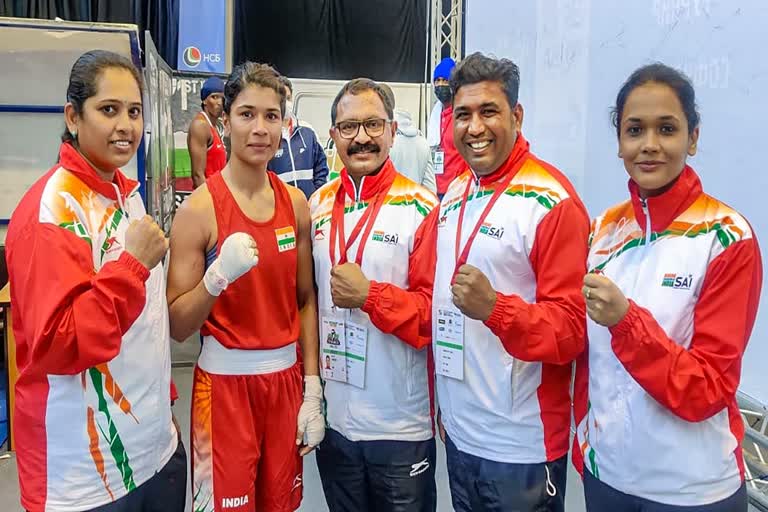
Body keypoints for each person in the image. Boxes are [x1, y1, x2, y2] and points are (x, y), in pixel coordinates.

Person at [573, 63, 762, 512]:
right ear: (619, 141)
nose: (650, 145)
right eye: (635, 129)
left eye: (667, 129)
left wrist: (626, 322)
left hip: (691, 491)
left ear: (692, 139)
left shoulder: (726, 238)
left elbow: (707, 388)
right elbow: (587, 357)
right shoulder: (602, 231)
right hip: (608, 479)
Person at [5, 50, 185, 512]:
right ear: (73, 115)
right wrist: (132, 267)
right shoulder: (51, 211)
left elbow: (146, 320)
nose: (125, 125)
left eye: (134, 111)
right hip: (84, 478)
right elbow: (60, 344)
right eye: (109, 110)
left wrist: (163, 399)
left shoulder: (128, 195)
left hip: (156, 452)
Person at [432, 52, 590, 512]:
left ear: (516, 116)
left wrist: (495, 309)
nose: (475, 128)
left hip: (520, 444)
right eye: (463, 115)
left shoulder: (552, 202)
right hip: (460, 433)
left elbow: (572, 330)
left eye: (489, 112)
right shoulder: (458, 191)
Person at [166, 62, 324, 512]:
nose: (260, 129)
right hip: (224, 391)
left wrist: (311, 388)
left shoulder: (295, 204)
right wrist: (216, 279)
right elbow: (178, 324)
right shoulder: (199, 210)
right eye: (247, 114)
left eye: (271, 116)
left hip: (284, 384)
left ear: (284, 123)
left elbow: (305, 299)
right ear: (226, 120)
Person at [309, 78, 439, 511]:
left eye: (372, 124)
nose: (361, 137)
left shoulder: (422, 209)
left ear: (391, 130)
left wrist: (371, 297)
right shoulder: (318, 206)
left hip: (399, 427)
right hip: (337, 425)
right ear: (333, 137)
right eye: (348, 127)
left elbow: (433, 320)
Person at [268, 75, 329, 198]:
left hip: (309, 207)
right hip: (279, 208)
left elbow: (322, 168)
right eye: (281, 99)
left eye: (288, 98)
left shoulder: (308, 131)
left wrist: (316, 197)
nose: (286, 103)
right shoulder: (268, 134)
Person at [379, 82, 436, 193]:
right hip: (414, 207)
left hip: (384, 207)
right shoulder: (422, 141)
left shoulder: (379, 141)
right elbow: (431, 190)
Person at [426, 57, 465, 198]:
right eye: (437, 81)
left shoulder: (461, 115)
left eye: (445, 80)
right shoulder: (435, 114)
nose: (440, 85)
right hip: (436, 188)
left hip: (457, 189)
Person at [188, 76, 227, 188]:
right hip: (208, 199)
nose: (219, 102)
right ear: (204, 100)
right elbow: (197, 175)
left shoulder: (214, 127)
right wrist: (209, 203)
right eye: (214, 97)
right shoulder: (200, 125)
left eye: (222, 98)